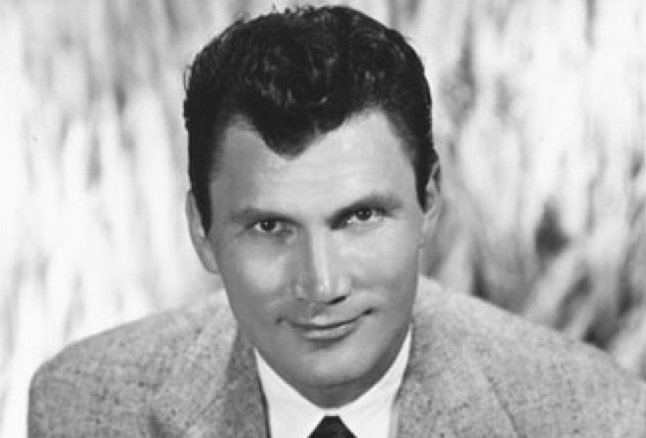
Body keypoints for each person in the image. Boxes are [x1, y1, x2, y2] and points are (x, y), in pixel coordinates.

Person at [28, 5, 646, 437]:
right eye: (270, 228)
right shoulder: (79, 407)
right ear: (202, 231)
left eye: (360, 216)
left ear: (429, 202)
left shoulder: (593, 417)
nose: (322, 285)